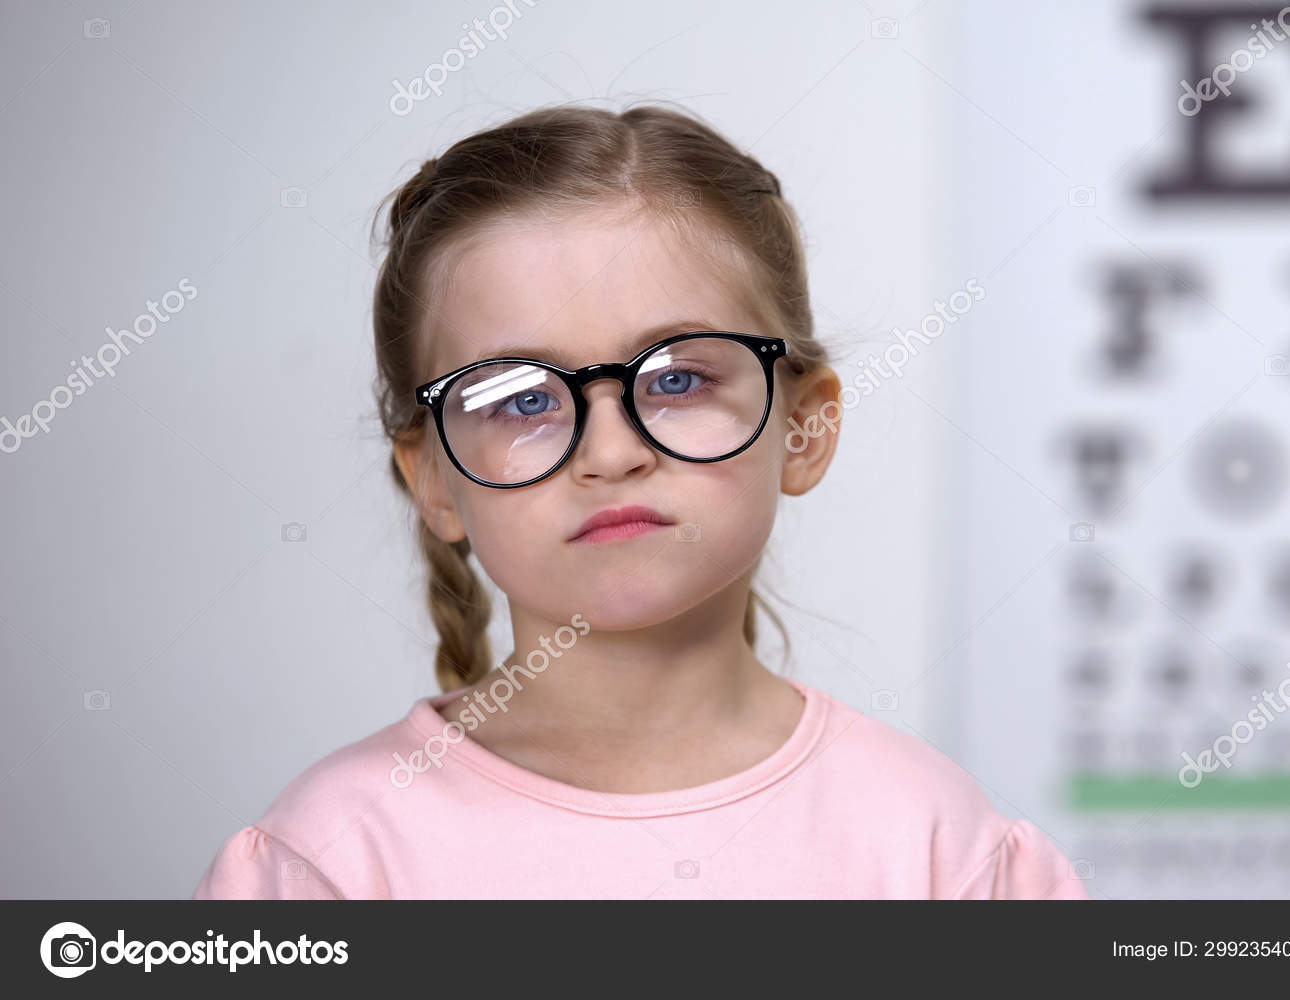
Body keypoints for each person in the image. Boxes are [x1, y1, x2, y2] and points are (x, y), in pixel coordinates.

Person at [192, 104, 1087, 899]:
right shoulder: (328, 864)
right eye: (523, 400)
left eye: (679, 378)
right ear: (434, 477)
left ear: (805, 427)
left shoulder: (945, 855)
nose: (611, 453)